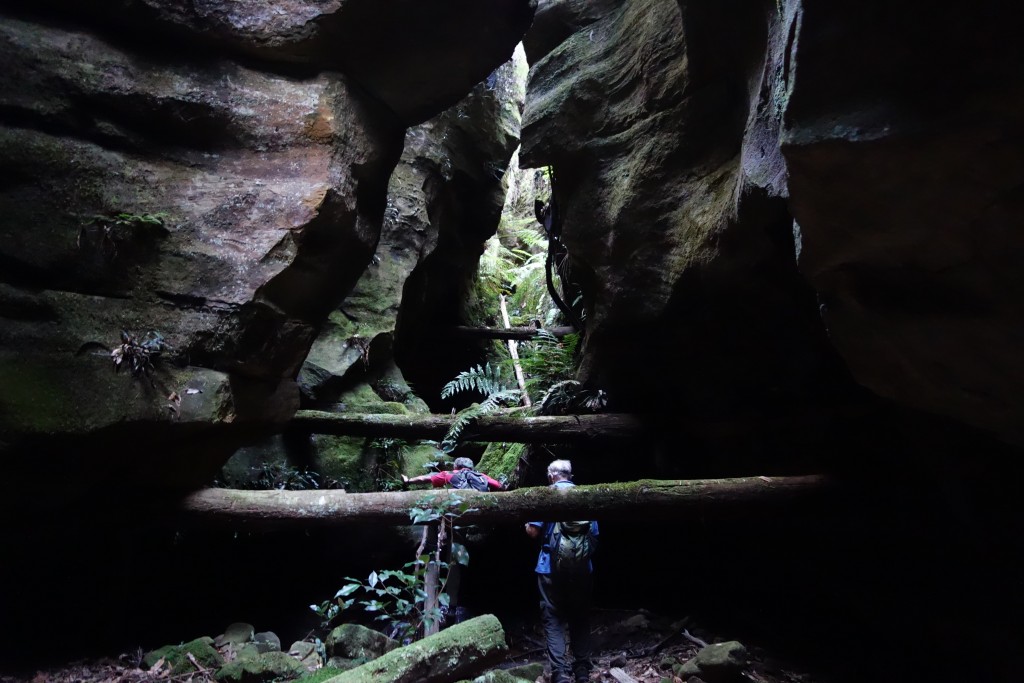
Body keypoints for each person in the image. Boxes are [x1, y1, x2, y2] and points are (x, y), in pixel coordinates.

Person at [525, 459, 598, 683]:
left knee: (553, 618)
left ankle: (560, 673)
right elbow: (594, 535)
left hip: (549, 568)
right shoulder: (585, 496)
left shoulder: (545, 495)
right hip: (582, 569)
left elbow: (532, 532)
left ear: (551, 476)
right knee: (580, 617)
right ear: (570, 476)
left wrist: (526, 520)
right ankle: (582, 671)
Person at [402, 456, 506, 491]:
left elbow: (424, 479)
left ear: (455, 466)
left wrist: (408, 481)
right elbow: (498, 485)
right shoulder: (480, 475)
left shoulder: (449, 473)